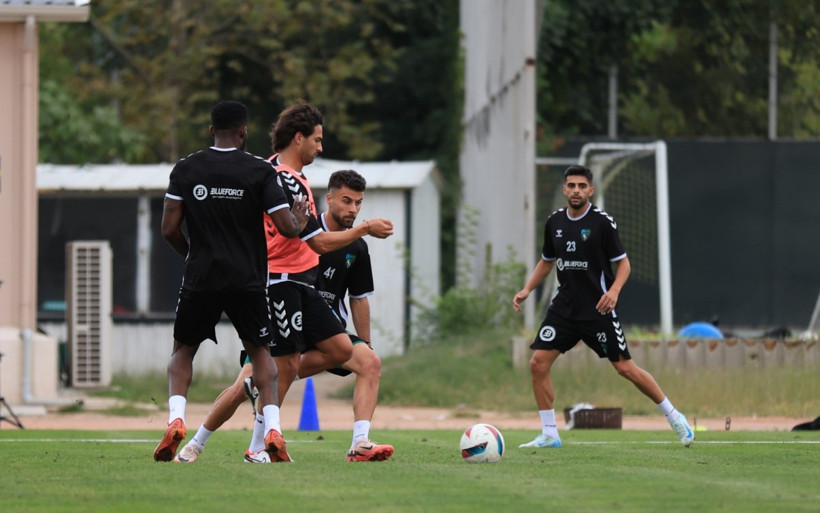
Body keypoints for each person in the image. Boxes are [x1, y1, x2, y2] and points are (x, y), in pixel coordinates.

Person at [173, 102, 394, 463]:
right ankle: (218, 444)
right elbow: (317, 242)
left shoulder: (295, 178)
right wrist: (365, 229)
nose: (320, 148)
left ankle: (354, 440)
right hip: (277, 283)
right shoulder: (275, 176)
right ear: (298, 138)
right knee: (271, 372)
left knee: (344, 350)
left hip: (301, 285)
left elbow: (357, 294)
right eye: (317, 140)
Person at [154, 100, 310, 462]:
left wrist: (193, 256)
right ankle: (273, 428)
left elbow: (168, 229)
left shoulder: (186, 168)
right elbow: (287, 228)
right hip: (248, 280)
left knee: (182, 351)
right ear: (243, 132)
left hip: (202, 277)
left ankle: (176, 420)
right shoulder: (259, 171)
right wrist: (300, 220)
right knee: (261, 356)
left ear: (211, 131)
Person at [512, 165, 694, 449]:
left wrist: (614, 292)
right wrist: (527, 289)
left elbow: (623, 263)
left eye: (581, 186)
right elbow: (547, 260)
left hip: (598, 309)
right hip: (564, 309)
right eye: (571, 185)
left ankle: (675, 417)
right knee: (538, 364)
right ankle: (549, 434)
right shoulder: (554, 222)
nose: (576, 191)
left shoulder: (602, 223)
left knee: (626, 369)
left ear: (590, 190)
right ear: (564, 189)